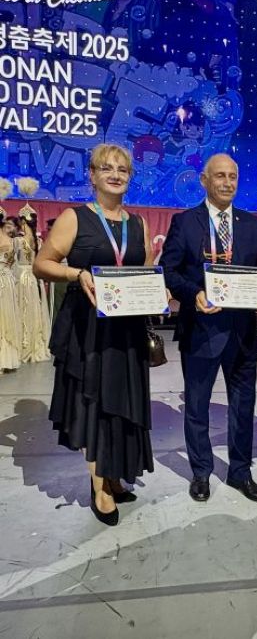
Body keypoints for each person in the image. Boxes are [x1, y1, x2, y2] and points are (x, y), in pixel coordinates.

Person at [33, 143, 155, 526]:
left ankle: (114, 475)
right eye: (107, 168)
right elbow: (42, 264)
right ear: (92, 175)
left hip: (127, 330)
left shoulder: (139, 223)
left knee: (121, 401)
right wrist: (77, 274)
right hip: (88, 329)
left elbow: (146, 270)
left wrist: (159, 290)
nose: (115, 174)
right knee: (95, 402)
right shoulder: (75, 217)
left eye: (123, 169)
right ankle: (100, 486)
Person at [160, 153, 257, 503]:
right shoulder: (185, 222)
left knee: (243, 406)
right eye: (220, 176)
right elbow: (169, 271)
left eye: (232, 176)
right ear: (204, 180)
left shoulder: (251, 224)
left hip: (242, 333)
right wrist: (193, 294)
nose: (227, 182)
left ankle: (240, 472)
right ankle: (201, 472)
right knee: (197, 405)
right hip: (200, 330)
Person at [15, 205, 51, 363]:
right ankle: (35, 343)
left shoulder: (18, 241)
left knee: (22, 310)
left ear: (22, 221)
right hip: (36, 278)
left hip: (22, 278)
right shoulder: (39, 241)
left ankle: (23, 344)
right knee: (35, 310)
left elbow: (12, 262)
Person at [0, 207, 21, 373]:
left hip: (4, 280)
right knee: (6, 317)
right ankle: (6, 358)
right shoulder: (13, 241)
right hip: (7, 280)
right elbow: (13, 265)